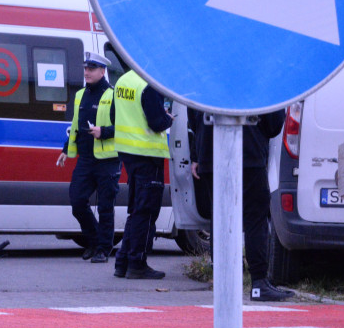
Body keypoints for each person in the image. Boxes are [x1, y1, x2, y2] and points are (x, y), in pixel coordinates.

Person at [188, 108, 295, 301]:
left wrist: (196, 154)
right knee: (255, 217)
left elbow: (193, 112)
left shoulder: (206, 76)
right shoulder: (256, 76)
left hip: (210, 153)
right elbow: (274, 123)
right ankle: (259, 283)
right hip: (249, 152)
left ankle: (223, 280)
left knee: (221, 217)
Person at [56, 52, 119, 263]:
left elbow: (125, 128)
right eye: (85, 68)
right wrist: (66, 148)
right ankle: (93, 240)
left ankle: (103, 248)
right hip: (86, 159)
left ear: (102, 71)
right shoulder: (81, 94)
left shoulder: (113, 95)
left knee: (105, 207)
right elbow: (75, 125)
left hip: (107, 160)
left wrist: (105, 132)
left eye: (91, 69)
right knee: (77, 201)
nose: (86, 72)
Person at [111, 68, 171, 279]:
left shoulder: (123, 80)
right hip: (148, 153)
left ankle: (123, 261)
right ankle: (137, 262)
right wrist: (169, 119)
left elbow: (113, 115)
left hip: (128, 153)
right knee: (146, 212)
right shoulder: (149, 82)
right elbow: (157, 122)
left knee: (136, 209)